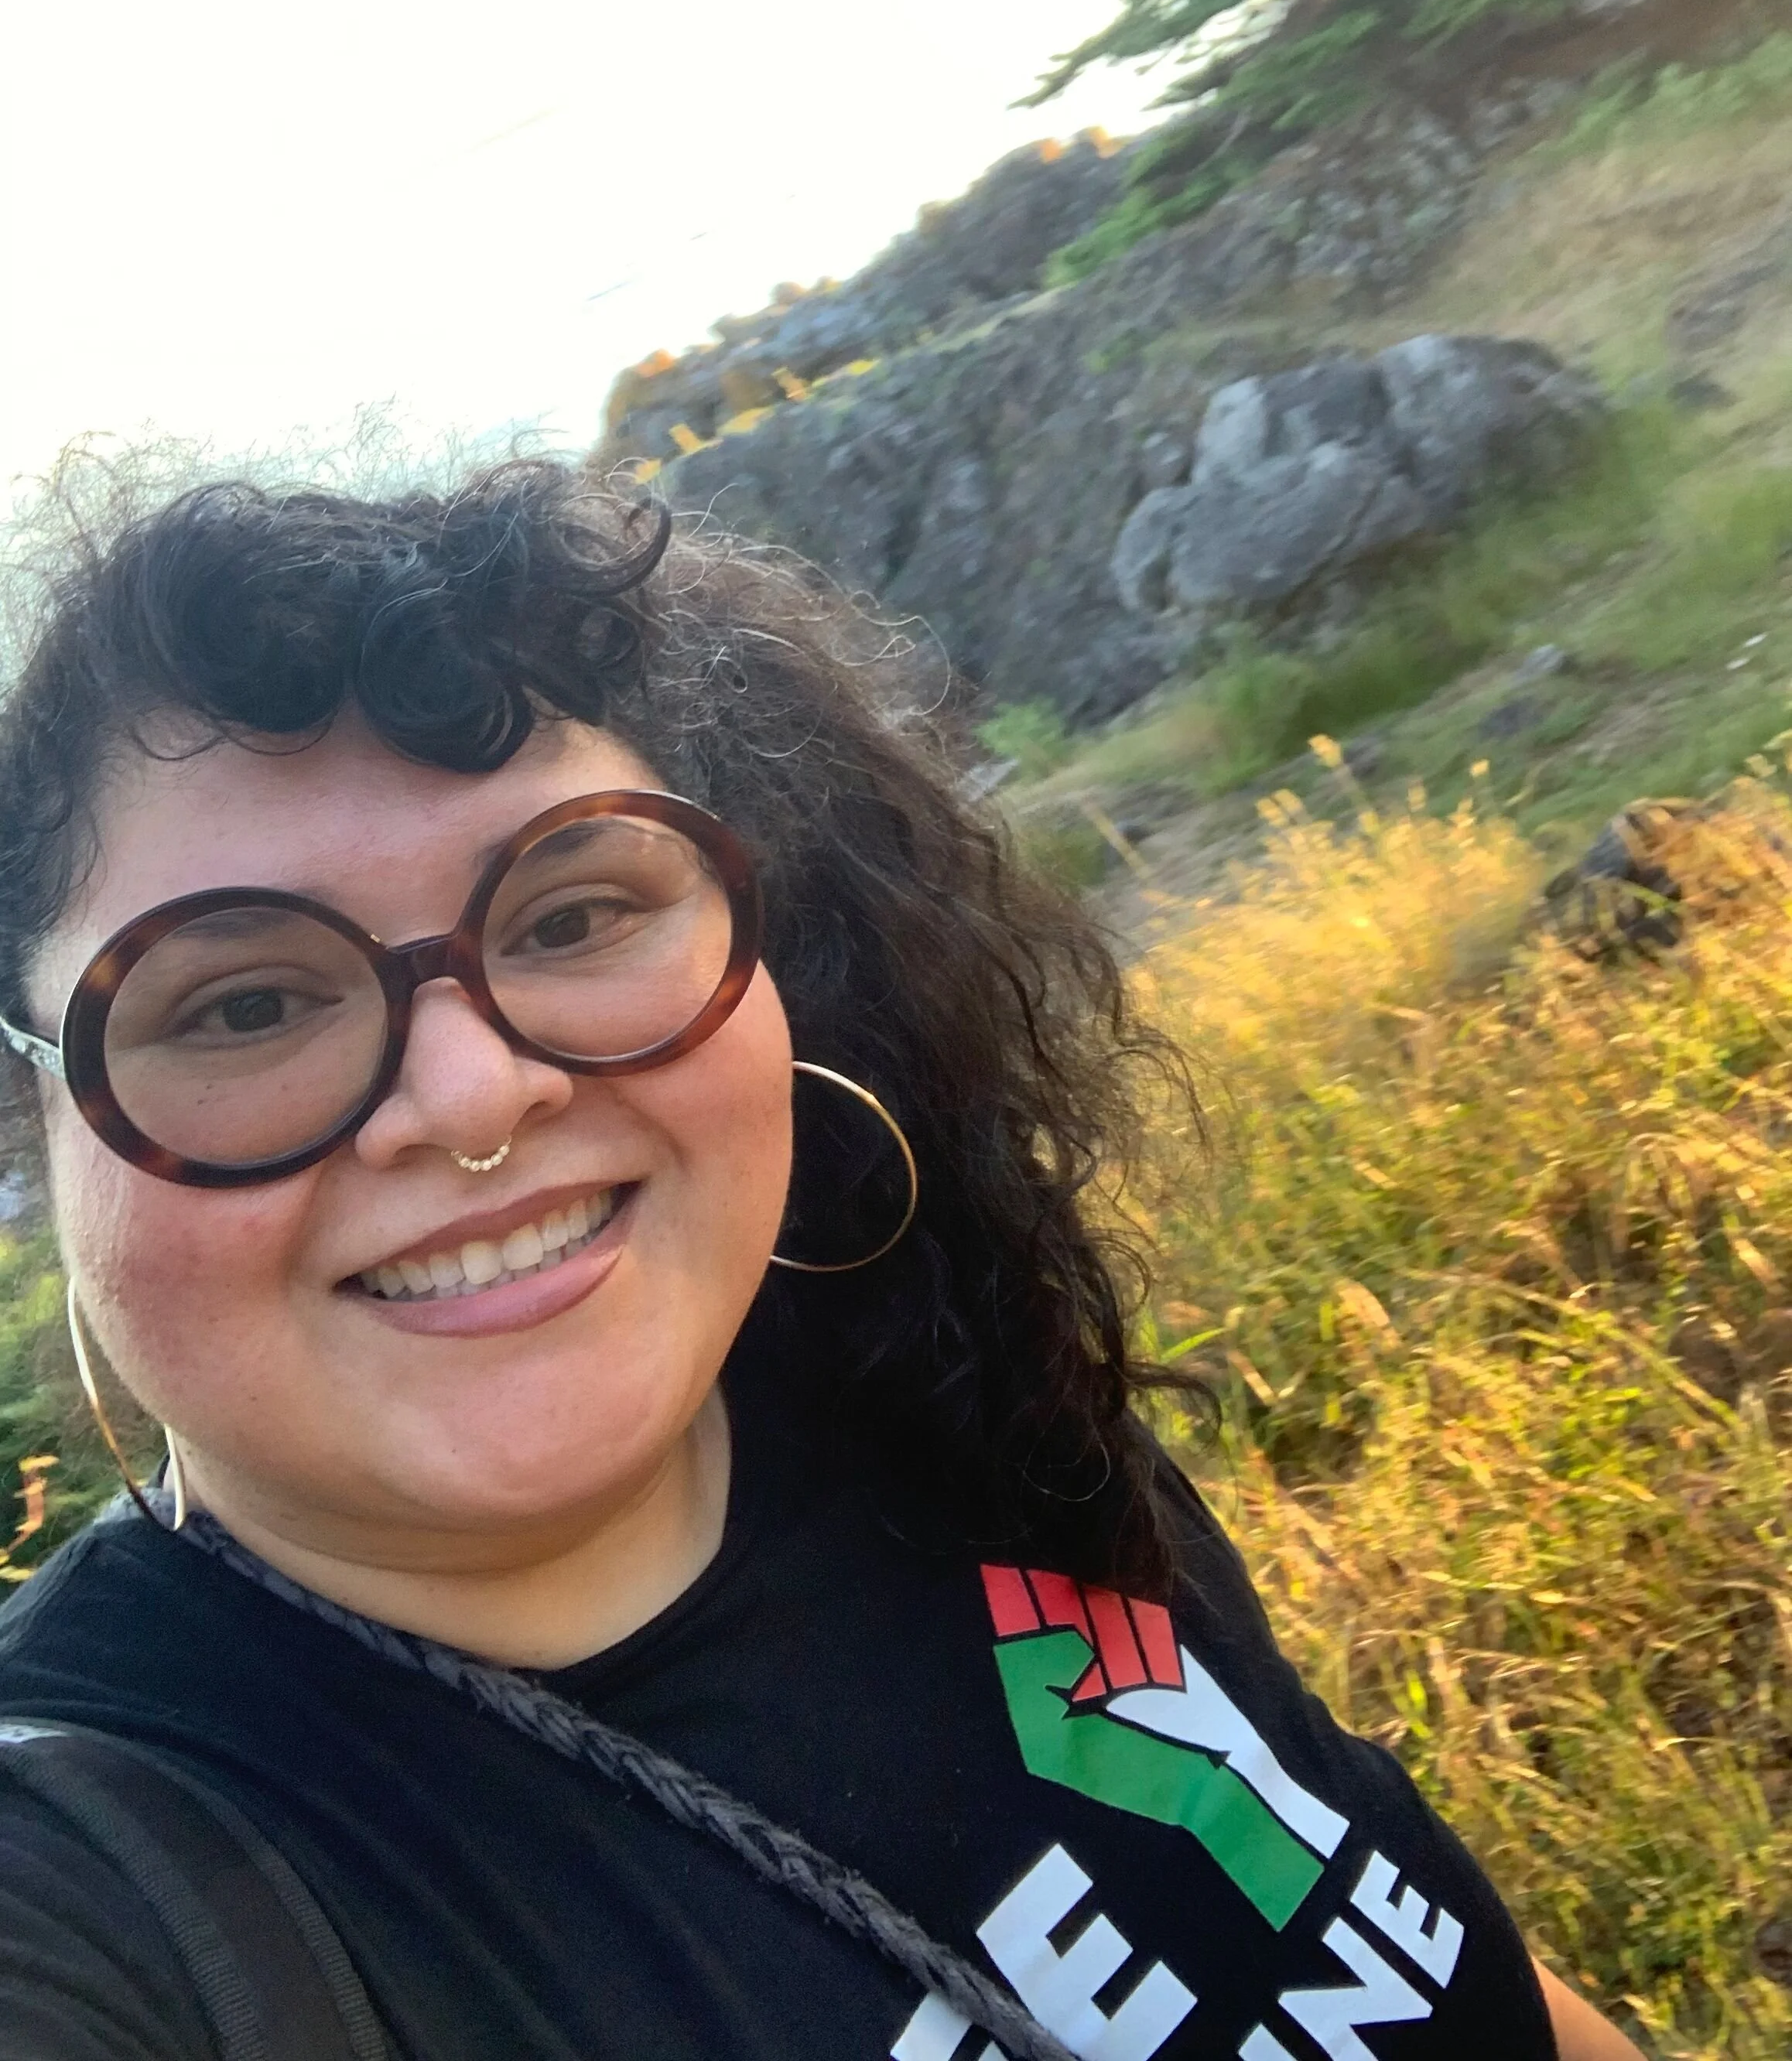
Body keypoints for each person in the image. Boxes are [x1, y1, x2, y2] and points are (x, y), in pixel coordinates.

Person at [0, 459, 1638, 2060]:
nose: (477, 1090)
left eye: (573, 913)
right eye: (243, 1005)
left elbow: (1423, 1939)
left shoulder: (938, 1351)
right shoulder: (103, 1881)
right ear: (38, 1117)